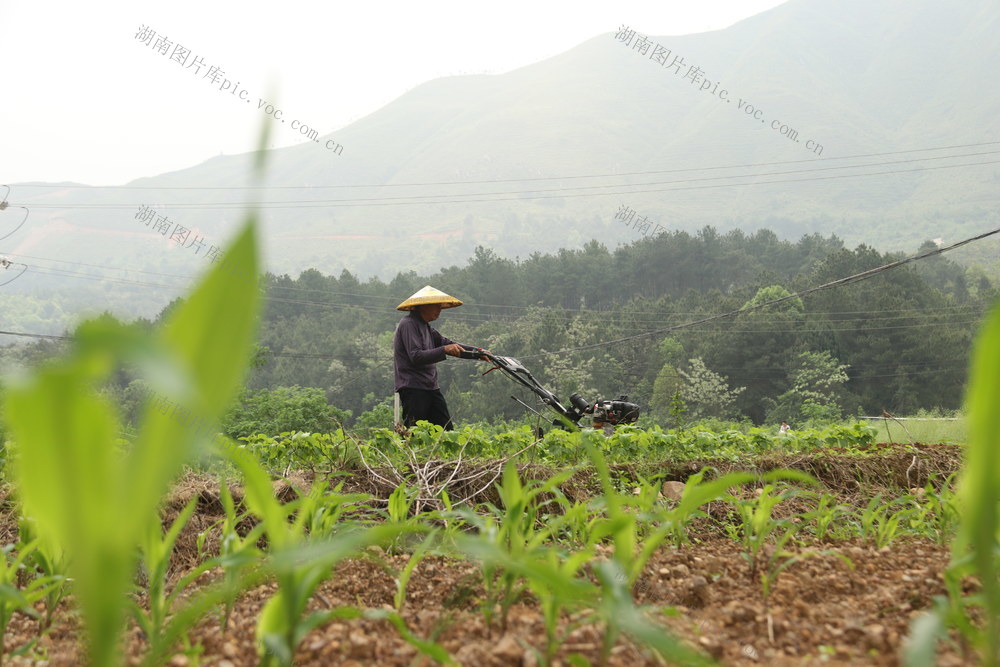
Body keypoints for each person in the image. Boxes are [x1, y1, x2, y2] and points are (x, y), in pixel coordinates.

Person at [392, 285, 485, 430]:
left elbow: (448, 344)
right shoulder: (409, 324)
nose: (439, 310)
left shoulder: (426, 327)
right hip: (413, 387)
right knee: (413, 432)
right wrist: (444, 350)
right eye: (436, 306)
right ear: (423, 306)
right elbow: (416, 356)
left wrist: (479, 353)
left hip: (430, 387)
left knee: (446, 431)